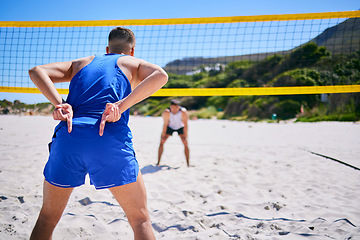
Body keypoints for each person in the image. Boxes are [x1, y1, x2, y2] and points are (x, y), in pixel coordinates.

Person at [28, 27, 168, 240]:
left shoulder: (81, 63)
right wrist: (120, 106)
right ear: (132, 51)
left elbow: (36, 71)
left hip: (70, 136)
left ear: (107, 48)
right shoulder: (132, 62)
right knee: (140, 220)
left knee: (47, 217)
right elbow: (161, 76)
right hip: (108, 137)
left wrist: (60, 104)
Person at [157, 99, 190, 167]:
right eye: (172, 108)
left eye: (176, 108)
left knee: (185, 142)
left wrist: (185, 135)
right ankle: (158, 162)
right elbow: (165, 124)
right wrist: (163, 135)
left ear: (179, 107)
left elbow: (185, 124)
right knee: (162, 142)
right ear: (170, 107)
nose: (174, 109)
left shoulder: (183, 112)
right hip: (170, 127)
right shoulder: (166, 112)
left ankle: (188, 163)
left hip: (180, 127)